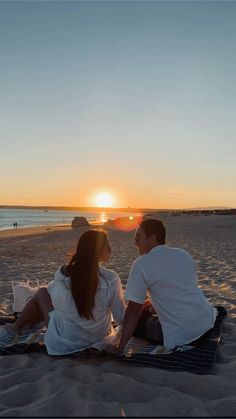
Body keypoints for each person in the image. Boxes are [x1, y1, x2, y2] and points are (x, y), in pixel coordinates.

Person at [0, 230, 126, 355]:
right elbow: (121, 319)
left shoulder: (64, 272)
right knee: (51, 299)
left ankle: (15, 327)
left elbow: (55, 301)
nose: (111, 250)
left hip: (63, 342)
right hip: (96, 339)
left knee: (42, 293)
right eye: (108, 247)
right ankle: (25, 323)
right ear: (99, 251)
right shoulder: (110, 279)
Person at [106, 218, 217, 354]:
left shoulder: (142, 263)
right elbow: (179, 291)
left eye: (138, 238)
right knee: (145, 309)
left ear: (152, 238)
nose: (135, 243)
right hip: (206, 321)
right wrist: (148, 302)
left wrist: (120, 348)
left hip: (182, 334)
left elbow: (134, 311)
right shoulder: (184, 254)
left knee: (129, 319)